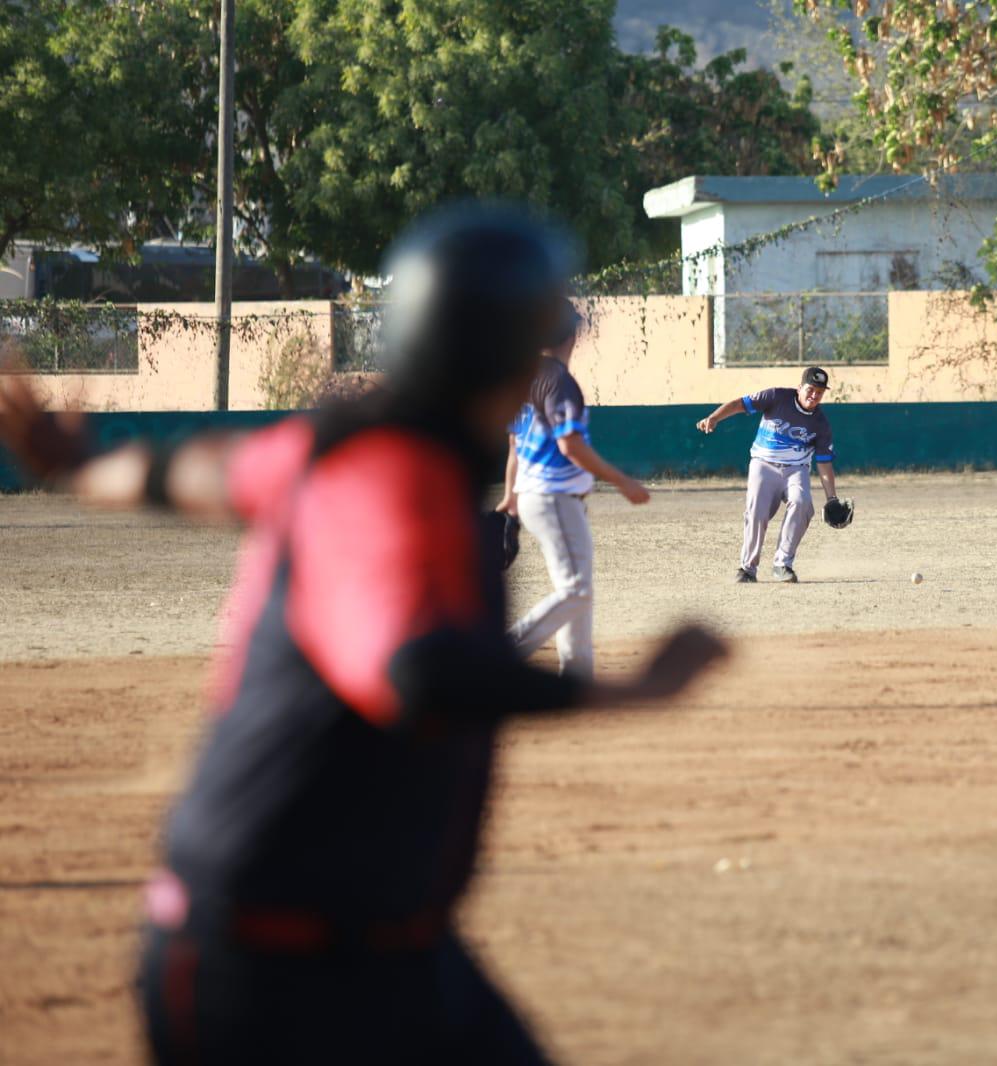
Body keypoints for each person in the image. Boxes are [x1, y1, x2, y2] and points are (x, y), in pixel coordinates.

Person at [0, 203, 726, 1066]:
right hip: (272, 965)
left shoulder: (350, 446)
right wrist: (636, 690)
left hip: (386, 941)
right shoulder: (391, 476)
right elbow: (416, 668)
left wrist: (78, 465)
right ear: (493, 356)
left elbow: (193, 474)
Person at [497, 302, 648, 678]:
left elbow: (515, 448)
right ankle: (502, 654)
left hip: (540, 496)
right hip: (553, 496)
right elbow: (571, 446)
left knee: (578, 590)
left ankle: (577, 676)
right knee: (577, 589)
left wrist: (511, 501)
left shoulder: (525, 377)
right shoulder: (560, 382)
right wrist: (622, 481)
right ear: (572, 335)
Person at [695, 365, 840, 583]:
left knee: (802, 503)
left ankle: (783, 564)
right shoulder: (776, 397)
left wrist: (832, 498)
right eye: (810, 389)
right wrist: (714, 417)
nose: (814, 395)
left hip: (796, 470)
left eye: (819, 392)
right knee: (756, 513)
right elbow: (739, 404)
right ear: (799, 387)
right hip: (763, 465)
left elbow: (824, 463)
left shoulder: (821, 424)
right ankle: (747, 569)